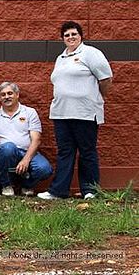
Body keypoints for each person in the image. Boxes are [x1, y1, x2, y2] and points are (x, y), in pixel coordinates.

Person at [38, 21, 113, 200]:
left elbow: (106, 78)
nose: (70, 38)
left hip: (85, 113)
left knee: (87, 151)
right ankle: (58, 191)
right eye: (67, 35)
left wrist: (97, 97)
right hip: (61, 113)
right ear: (63, 39)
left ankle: (90, 191)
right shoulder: (61, 58)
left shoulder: (91, 53)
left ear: (81, 36)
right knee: (65, 152)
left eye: (74, 34)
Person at [0, 82, 53, 196]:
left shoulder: (30, 112)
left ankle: (27, 186)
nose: (7, 97)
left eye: (10, 93)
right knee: (8, 148)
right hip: (4, 155)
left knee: (44, 169)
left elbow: (36, 140)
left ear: (17, 95)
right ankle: (6, 185)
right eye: (3, 94)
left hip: (27, 151)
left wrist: (26, 160)